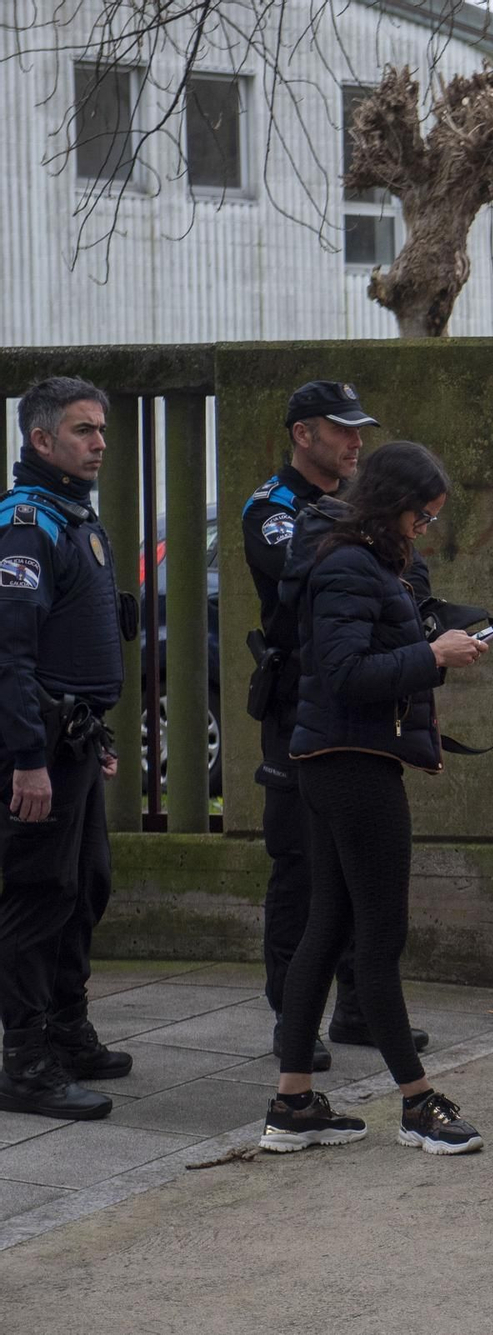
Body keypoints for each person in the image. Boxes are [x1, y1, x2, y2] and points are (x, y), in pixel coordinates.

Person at [259, 442, 492, 1155]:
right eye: (421, 513)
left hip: (338, 761)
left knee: (328, 930)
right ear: (392, 502)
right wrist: (434, 655)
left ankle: (293, 1104)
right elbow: (344, 672)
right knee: (379, 939)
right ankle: (419, 1105)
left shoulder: (353, 558)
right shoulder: (349, 565)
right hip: (355, 768)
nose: (424, 526)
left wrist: (429, 650)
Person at [242, 380, 428, 1070]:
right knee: (300, 864)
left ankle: (359, 1004)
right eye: (340, 429)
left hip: (347, 709)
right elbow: (307, 576)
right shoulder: (280, 512)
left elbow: (416, 580)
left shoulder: (354, 514)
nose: (355, 441)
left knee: (354, 877)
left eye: (359, 429)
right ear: (303, 434)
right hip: (303, 703)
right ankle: (294, 1018)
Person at [0, 377, 131, 1121]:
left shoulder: (75, 515)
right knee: (38, 894)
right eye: (83, 430)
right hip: (37, 746)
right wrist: (28, 757)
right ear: (41, 440)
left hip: (74, 739)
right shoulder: (26, 524)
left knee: (86, 885)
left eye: (102, 429)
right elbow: (10, 654)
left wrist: (92, 734)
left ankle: (65, 1026)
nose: (100, 442)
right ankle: (23, 1058)